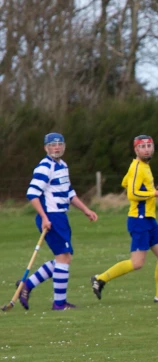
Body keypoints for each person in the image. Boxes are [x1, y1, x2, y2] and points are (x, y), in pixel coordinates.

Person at [91, 135, 158, 303]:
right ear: (136, 150)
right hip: (138, 219)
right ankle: (100, 278)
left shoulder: (143, 166)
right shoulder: (138, 167)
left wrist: (149, 189)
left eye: (149, 145)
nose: (147, 149)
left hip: (149, 219)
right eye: (143, 146)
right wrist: (153, 193)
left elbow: (125, 182)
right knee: (137, 263)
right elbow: (132, 193)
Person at [18, 132, 99, 310]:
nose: (56, 147)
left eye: (59, 144)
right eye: (52, 144)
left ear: (64, 146)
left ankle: (27, 285)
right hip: (51, 217)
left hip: (61, 216)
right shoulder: (44, 167)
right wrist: (45, 218)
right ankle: (59, 303)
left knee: (64, 258)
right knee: (63, 258)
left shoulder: (62, 165)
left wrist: (86, 210)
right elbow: (32, 194)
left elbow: (69, 193)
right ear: (46, 147)